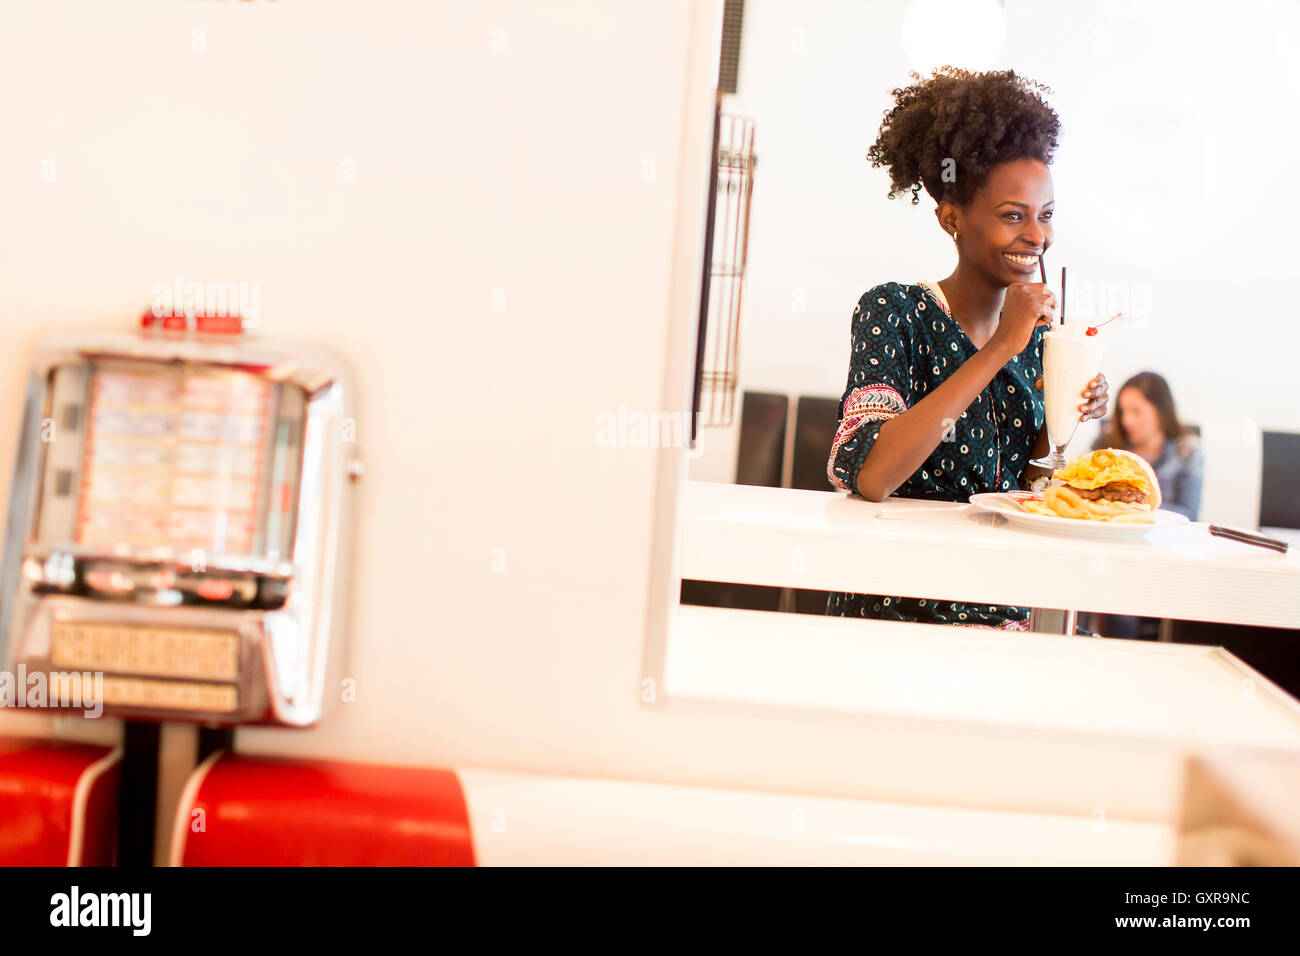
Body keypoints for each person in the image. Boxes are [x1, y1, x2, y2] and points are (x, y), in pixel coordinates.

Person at [825, 68, 1107, 631]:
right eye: (1012, 215)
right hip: (894, 622)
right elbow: (873, 474)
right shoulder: (896, 312)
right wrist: (1003, 343)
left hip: (1001, 619)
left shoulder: (1041, 337)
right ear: (951, 218)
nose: (1037, 235)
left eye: (1045, 214)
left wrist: (1065, 418)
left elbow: (1024, 488)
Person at [1087, 372, 1203, 639]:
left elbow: (1188, 514)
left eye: (1137, 411)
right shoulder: (1106, 446)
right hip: (1106, 547)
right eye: (1123, 412)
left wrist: (1129, 511)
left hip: (1158, 551)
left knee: (1119, 592)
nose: (1127, 420)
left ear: (1161, 411)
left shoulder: (1188, 452)